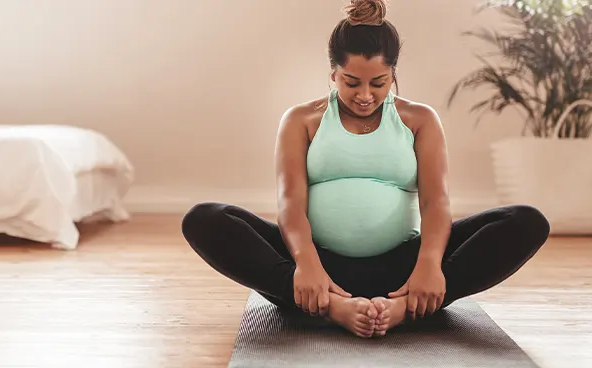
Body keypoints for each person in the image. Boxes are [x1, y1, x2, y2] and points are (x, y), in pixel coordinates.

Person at [181, 0, 550, 339]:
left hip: (403, 271)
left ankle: (404, 307)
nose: (365, 95)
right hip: (316, 267)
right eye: (351, 82)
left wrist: (428, 264)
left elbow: (436, 204)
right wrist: (306, 264)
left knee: (525, 221)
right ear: (332, 74)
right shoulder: (301, 120)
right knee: (205, 218)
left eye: (379, 82)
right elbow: (290, 204)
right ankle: (332, 306)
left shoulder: (419, 120)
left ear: (393, 74)